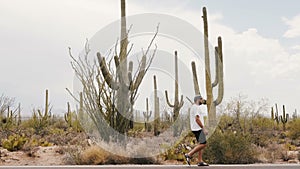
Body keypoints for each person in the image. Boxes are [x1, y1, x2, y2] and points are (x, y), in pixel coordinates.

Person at [184, 95, 209, 166]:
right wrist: (203, 128)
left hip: (196, 128)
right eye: (201, 99)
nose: (202, 100)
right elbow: (197, 119)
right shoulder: (196, 107)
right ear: (198, 100)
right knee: (203, 144)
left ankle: (200, 161)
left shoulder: (195, 107)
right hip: (198, 128)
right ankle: (189, 154)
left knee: (200, 144)